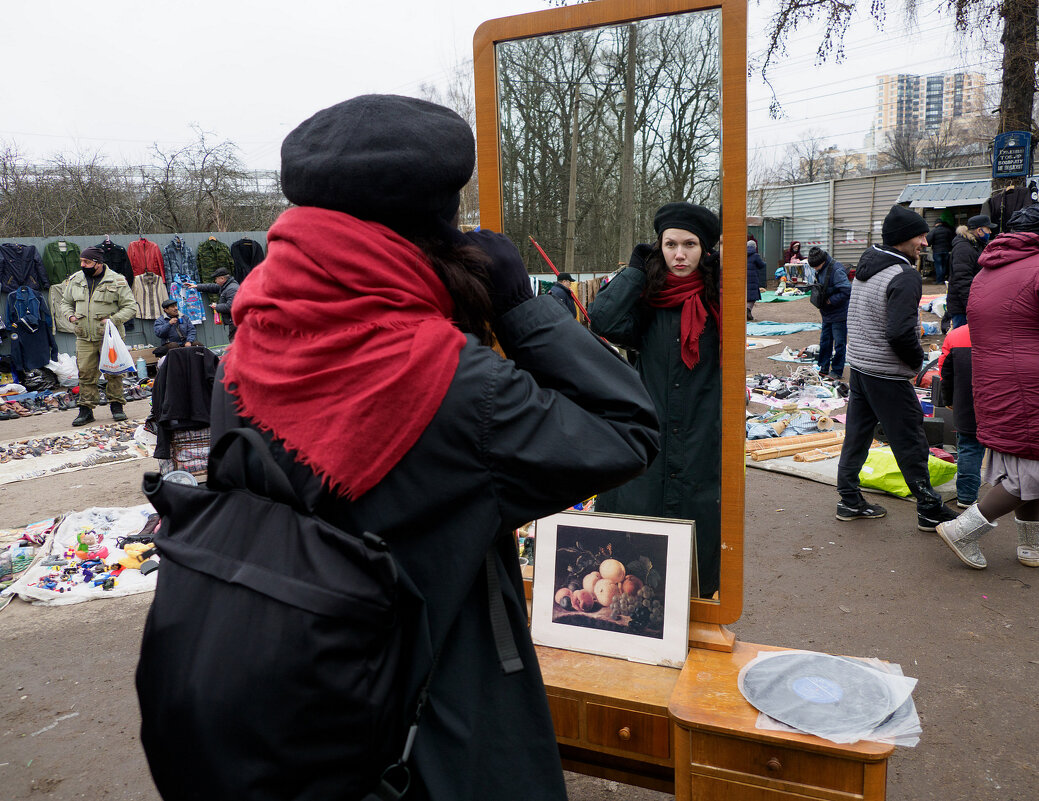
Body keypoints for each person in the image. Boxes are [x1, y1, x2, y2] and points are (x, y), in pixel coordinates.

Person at [141, 94, 659, 801]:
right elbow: (627, 427)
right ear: (439, 223)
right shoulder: (456, 382)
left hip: (297, 710)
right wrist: (519, 303)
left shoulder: (250, 340)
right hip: (436, 731)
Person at [588, 201, 723, 598]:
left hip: (702, 436)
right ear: (657, 247)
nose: (679, 255)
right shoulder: (647, 298)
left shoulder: (720, 299)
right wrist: (633, 271)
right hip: (649, 435)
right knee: (636, 541)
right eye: (670, 245)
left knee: (697, 535)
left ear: (706, 250)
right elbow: (602, 320)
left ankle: (695, 607)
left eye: (690, 245)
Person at [935, 204, 1039, 569]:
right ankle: (964, 529)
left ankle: (1033, 545)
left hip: (997, 383)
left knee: (1026, 461)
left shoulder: (988, 270)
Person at [835, 205, 958, 530]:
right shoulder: (903, 275)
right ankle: (930, 508)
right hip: (885, 374)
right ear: (904, 238)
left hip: (860, 368)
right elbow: (900, 332)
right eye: (920, 236)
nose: (925, 243)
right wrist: (916, 362)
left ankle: (849, 500)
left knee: (857, 437)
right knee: (911, 441)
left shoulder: (869, 264)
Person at [57, 246, 138, 426]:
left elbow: (131, 307)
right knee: (85, 373)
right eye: (81, 261)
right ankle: (86, 410)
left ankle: (117, 407)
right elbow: (65, 303)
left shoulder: (117, 280)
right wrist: (70, 316)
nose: (82, 264)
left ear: (98, 263)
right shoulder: (76, 280)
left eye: (87, 262)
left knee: (114, 372)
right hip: (84, 336)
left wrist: (113, 320)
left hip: (110, 337)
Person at [937, 323, 981, 508]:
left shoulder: (956, 336)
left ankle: (966, 496)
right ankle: (1012, 495)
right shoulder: (1012, 331)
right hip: (1003, 403)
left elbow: (945, 372)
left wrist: (948, 400)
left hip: (966, 403)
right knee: (1009, 451)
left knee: (969, 448)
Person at [808, 247, 850, 379]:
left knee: (839, 343)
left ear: (822, 261)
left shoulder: (836, 270)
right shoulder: (821, 268)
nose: (815, 269)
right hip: (826, 314)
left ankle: (837, 371)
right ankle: (823, 368)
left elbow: (847, 290)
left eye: (816, 266)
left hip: (839, 313)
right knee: (825, 342)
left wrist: (830, 301)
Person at [946, 214, 994, 329]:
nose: (990, 232)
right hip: (962, 307)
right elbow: (962, 280)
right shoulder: (964, 248)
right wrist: (971, 307)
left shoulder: (976, 245)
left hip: (971, 302)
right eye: (988, 229)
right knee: (962, 342)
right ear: (979, 230)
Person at [183, 268, 240, 341]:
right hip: (234, 321)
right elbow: (212, 287)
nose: (215, 281)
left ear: (222, 278)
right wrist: (196, 286)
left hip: (236, 321)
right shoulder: (227, 286)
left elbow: (231, 306)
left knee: (235, 343)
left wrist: (216, 307)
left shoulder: (231, 289)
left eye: (216, 279)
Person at [928, 214, 955, 284]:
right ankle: (943, 279)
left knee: (938, 265)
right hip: (946, 251)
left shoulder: (934, 231)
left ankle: (939, 280)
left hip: (937, 251)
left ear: (936, 224)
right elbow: (952, 240)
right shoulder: (948, 230)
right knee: (944, 265)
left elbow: (928, 241)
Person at [746, 240, 765, 321]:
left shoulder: (742, 254)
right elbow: (762, 265)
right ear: (755, 247)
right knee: (752, 296)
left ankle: (744, 311)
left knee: (744, 295)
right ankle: (748, 309)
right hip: (753, 278)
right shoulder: (755, 255)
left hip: (743, 278)